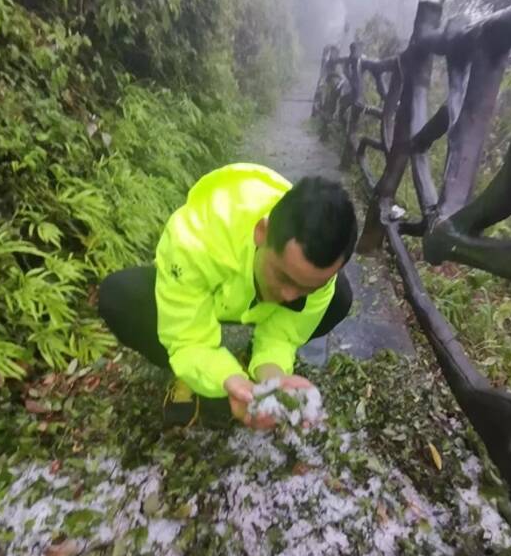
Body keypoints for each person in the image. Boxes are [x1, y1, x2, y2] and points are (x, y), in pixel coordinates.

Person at [98, 163, 357, 430]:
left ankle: (251, 358)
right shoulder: (196, 239)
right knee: (121, 296)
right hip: (204, 295)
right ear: (262, 232)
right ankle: (187, 375)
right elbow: (187, 337)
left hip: (248, 299)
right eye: (283, 277)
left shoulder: (322, 276)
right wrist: (226, 377)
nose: (290, 296)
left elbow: (284, 336)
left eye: (307, 288)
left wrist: (273, 380)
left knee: (339, 299)